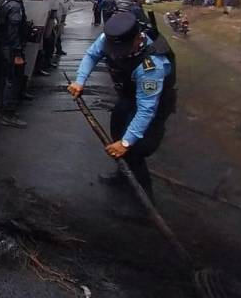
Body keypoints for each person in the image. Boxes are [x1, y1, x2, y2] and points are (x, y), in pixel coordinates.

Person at [68, 12, 176, 202]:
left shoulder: (152, 66)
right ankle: (122, 175)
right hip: (127, 95)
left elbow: (146, 110)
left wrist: (126, 143)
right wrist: (80, 81)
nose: (116, 53)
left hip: (153, 105)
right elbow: (92, 54)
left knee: (134, 149)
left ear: (138, 39)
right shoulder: (111, 38)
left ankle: (143, 201)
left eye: (122, 49)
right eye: (114, 49)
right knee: (117, 131)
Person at [0, 0, 30, 128]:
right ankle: (8, 114)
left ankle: (1, 108)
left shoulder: (4, 1)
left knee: (4, 79)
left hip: (2, 45)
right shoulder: (15, 6)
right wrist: (17, 52)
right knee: (12, 80)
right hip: (11, 48)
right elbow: (13, 30)